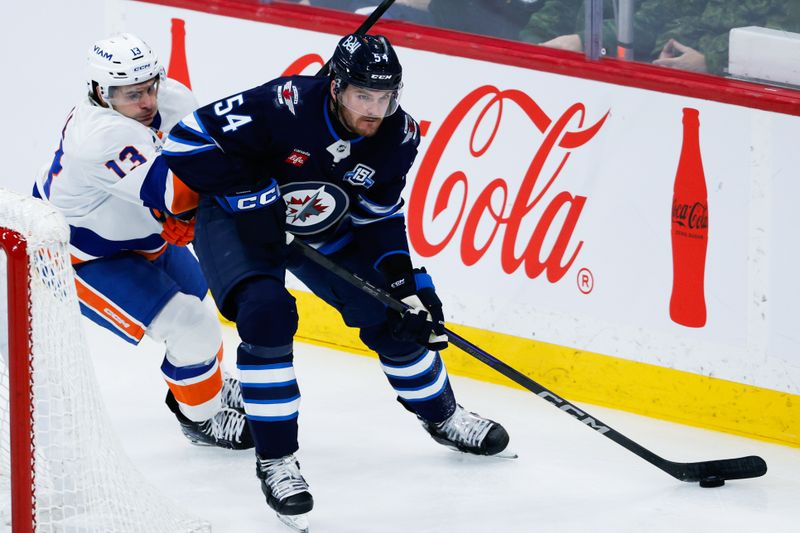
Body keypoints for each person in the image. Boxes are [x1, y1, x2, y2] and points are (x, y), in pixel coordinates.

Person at [162, 33, 511, 530]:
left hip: (323, 222)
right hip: (241, 222)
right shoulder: (283, 104)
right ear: (334, 86)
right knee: (267, 315)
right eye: (361, 96)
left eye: (384, 98)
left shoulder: (399, 135)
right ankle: (277, 460)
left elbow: (379, 217)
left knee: (398, 319)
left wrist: (406, 282)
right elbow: (186, 141)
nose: (373, 110)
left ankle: (444, 416)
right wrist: (249, 192)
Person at [32, 33, 253, 451]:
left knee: (199, 304)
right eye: (132, 94)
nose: (148, 101)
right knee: (192, 327)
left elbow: (209, 158)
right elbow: (174, 196)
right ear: (101, 93)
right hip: (79, 253)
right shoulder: (97, 137)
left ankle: (204, 391)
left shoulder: (171, 98)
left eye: (151, 86)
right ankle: (201, 420)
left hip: (138, 235)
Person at [654, 0, 800, 75]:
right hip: (698, 78)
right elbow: (694, 16)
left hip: (757, 93)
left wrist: (708, 62)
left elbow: (775, 41)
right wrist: (670, 50)